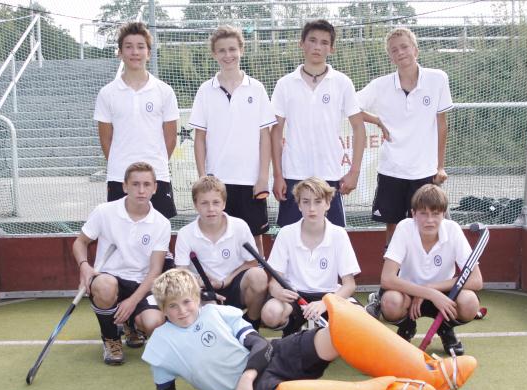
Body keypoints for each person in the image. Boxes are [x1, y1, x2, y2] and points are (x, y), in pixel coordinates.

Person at [141, 269, 478, 390]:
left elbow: (259, 345)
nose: (183, 310)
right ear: (163, 309)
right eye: (173, 306)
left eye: (187, 302)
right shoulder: (162, 345)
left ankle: (429, 374)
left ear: (197, 298)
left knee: (339, 330)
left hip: (270, 360)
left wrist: (246, 377)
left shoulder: (217, 313)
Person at [357, 27, 453, 246]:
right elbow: (350, 107)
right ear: (390, 57)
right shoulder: (380, 85)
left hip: (424, 171)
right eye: (394, 50)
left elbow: (442, 125)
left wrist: (440, 166)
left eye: (404, 47)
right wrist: (376, 120)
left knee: (427, 223)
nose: (400, 52)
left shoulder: (438, 79)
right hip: (391, 169)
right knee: (394, 226)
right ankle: (391, 265)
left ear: (415, 50)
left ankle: (426, 265)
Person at [270, 19, 370, 228]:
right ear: (301, 43)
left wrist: (354, 172)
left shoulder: (342, 82)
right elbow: (276, 132)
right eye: (312, 40)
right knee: (290, 238)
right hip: (294, 174)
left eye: (324, 42)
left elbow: (359, 128)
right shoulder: (285, 84)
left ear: (332, 48)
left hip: (329, 175)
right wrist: (278, 175)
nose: (317, 47)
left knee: (334, 238)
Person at [189, 26, 276, 255]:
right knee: (219, 237)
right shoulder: (205, 90)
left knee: (254, 239)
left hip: (249, 180)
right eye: (222, 50)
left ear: (241, 50)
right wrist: (203, 177)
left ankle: (258, 276)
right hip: (217, 181)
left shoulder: (256, 88)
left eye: (232, 49)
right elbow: (200, 138)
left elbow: (264, 136)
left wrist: (263, 177)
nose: (228, 55)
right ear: (214, 54)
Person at [72, 162, 170, 364]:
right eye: (135, 184)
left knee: (155, 323)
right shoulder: (104, 211)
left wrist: (132, 301)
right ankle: (110, 338)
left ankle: (131, 324)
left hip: (142, 284)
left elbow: (155, 271)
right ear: (125, 186)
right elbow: (80, 242)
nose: (141, 190)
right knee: (104, 286)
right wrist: (84, 266)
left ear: (155, 188)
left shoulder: (162, 223)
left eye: (146, 184)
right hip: (110, 279)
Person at [375, 184, 483, 356]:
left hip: (443, 294)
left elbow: (476, 281)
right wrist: (428, 293)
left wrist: (431, 289)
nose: (429, 220)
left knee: (470, 303)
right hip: (408, 293)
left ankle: (445, 328)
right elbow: (387, 279)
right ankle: (407, 327)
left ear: (443, 214)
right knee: (390, 302)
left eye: (435, 213)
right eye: (423, 213)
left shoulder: (453, 229)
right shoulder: (404, 227)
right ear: (413, 214)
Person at [94, 21, 179, 220]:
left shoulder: (164, 91)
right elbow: (106, 140)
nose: (135, 52)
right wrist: (121, 166)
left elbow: (170, 138)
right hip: (119, 177)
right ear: (120, 52)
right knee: (120, 233)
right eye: (129, 47)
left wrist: (153, 165)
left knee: (158, 233)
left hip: (157, 175)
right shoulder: (107, 93)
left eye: (140, 47)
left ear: (148, 53)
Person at [260, 177, 362, 336]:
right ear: (299, 205)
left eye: (318, 202)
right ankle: (292, 331)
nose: (312, 208)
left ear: (327, 204)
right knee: (271, 313)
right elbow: (274, 283)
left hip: (329, 296)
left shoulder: (339, 234)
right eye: (306, 202)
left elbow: (349, 285)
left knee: (361, 317)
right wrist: (278, 292)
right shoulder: (286, 233)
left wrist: (325, 303)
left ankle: (327, 335)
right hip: (294, 296)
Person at [174, 176, 268, 330]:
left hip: (234, 285)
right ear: (195, 205)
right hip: (201, 289)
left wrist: (226, 281)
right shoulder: (185, 233)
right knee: (209, 321)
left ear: (224, 203)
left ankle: (251, 325)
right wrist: (198, 284)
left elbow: (252, 262)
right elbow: (180, 273)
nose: (211, 208)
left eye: (216, 202)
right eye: (204, 203)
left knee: (259, 276)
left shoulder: (239, 226)